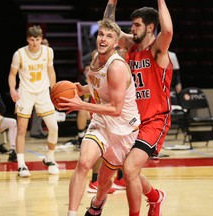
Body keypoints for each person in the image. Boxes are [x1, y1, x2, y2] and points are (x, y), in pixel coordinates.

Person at [58, 19, 140, 216]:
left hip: (123, 129)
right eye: (101, 34)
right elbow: (100, 86)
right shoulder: (96, 57)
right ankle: (71, 214)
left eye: (109, 36)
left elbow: (116, 108)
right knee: (84, 163)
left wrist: (81, 104)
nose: (103, 39)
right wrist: (83, 89)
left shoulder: (117, 67)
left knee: (104, 182)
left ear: (116, 43)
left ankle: (97, 203)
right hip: (101, 122)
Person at [104, 0, 173, 215]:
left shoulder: (157, 51)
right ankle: (155, 197)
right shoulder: (131, 46)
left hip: (155, 119)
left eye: (137, 25)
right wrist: (111, 3)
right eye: (132, 24)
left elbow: (168, 30)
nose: (132, 28)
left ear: (150, 27)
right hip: (132, 120)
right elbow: (108, 27)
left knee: (130, 169)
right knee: (128, 171)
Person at [8, 25, 59, 177]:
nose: (35, 43)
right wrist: (12, 89)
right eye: (32, 40)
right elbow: (12, 74)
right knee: (22, 130)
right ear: (27, 39)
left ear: (41, 39)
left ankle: (50, 158)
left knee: (54, 127)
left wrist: (54, 90)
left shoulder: (48, 52)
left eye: (37, 39)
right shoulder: (19, 54)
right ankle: (21, 164)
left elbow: (51, 71)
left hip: (43, 92)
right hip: (25, 93)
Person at [30, 38, 50, 139]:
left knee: (41, 110)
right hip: (36, 86)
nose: (44, 45)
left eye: (46, 43)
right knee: (37, 110)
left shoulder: (48, 56)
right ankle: (35, 131)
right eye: (43, 43)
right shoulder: (35, 56)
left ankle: (38, 129)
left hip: (45, 85)